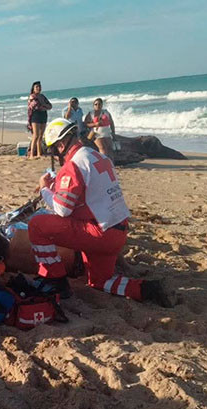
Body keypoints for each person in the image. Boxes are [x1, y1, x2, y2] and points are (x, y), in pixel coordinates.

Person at [27, 118, 175, 307]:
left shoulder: (73, 165)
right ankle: (146, 289)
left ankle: (54, 279)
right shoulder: (98, 157)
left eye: (53, 151)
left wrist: (44, 190)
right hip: (117, 231)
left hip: (99, 233)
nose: (55, 156)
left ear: (61, 145)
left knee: (37, 225)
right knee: (98, 281)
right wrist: (56, 186)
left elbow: (62, 210)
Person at [27, 81, 53, 159]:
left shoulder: (42, 96)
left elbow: (50, 106)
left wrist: (44, 105)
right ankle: (31, 154)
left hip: (43, 115)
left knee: (41, 136)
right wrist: (44, 106)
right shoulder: (32, 96)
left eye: (39, 86)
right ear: (33, 88)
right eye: (37, 87)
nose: (39, 88)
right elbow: (36, 106)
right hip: (35, 116)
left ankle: (39, 153)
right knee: (35, 135)